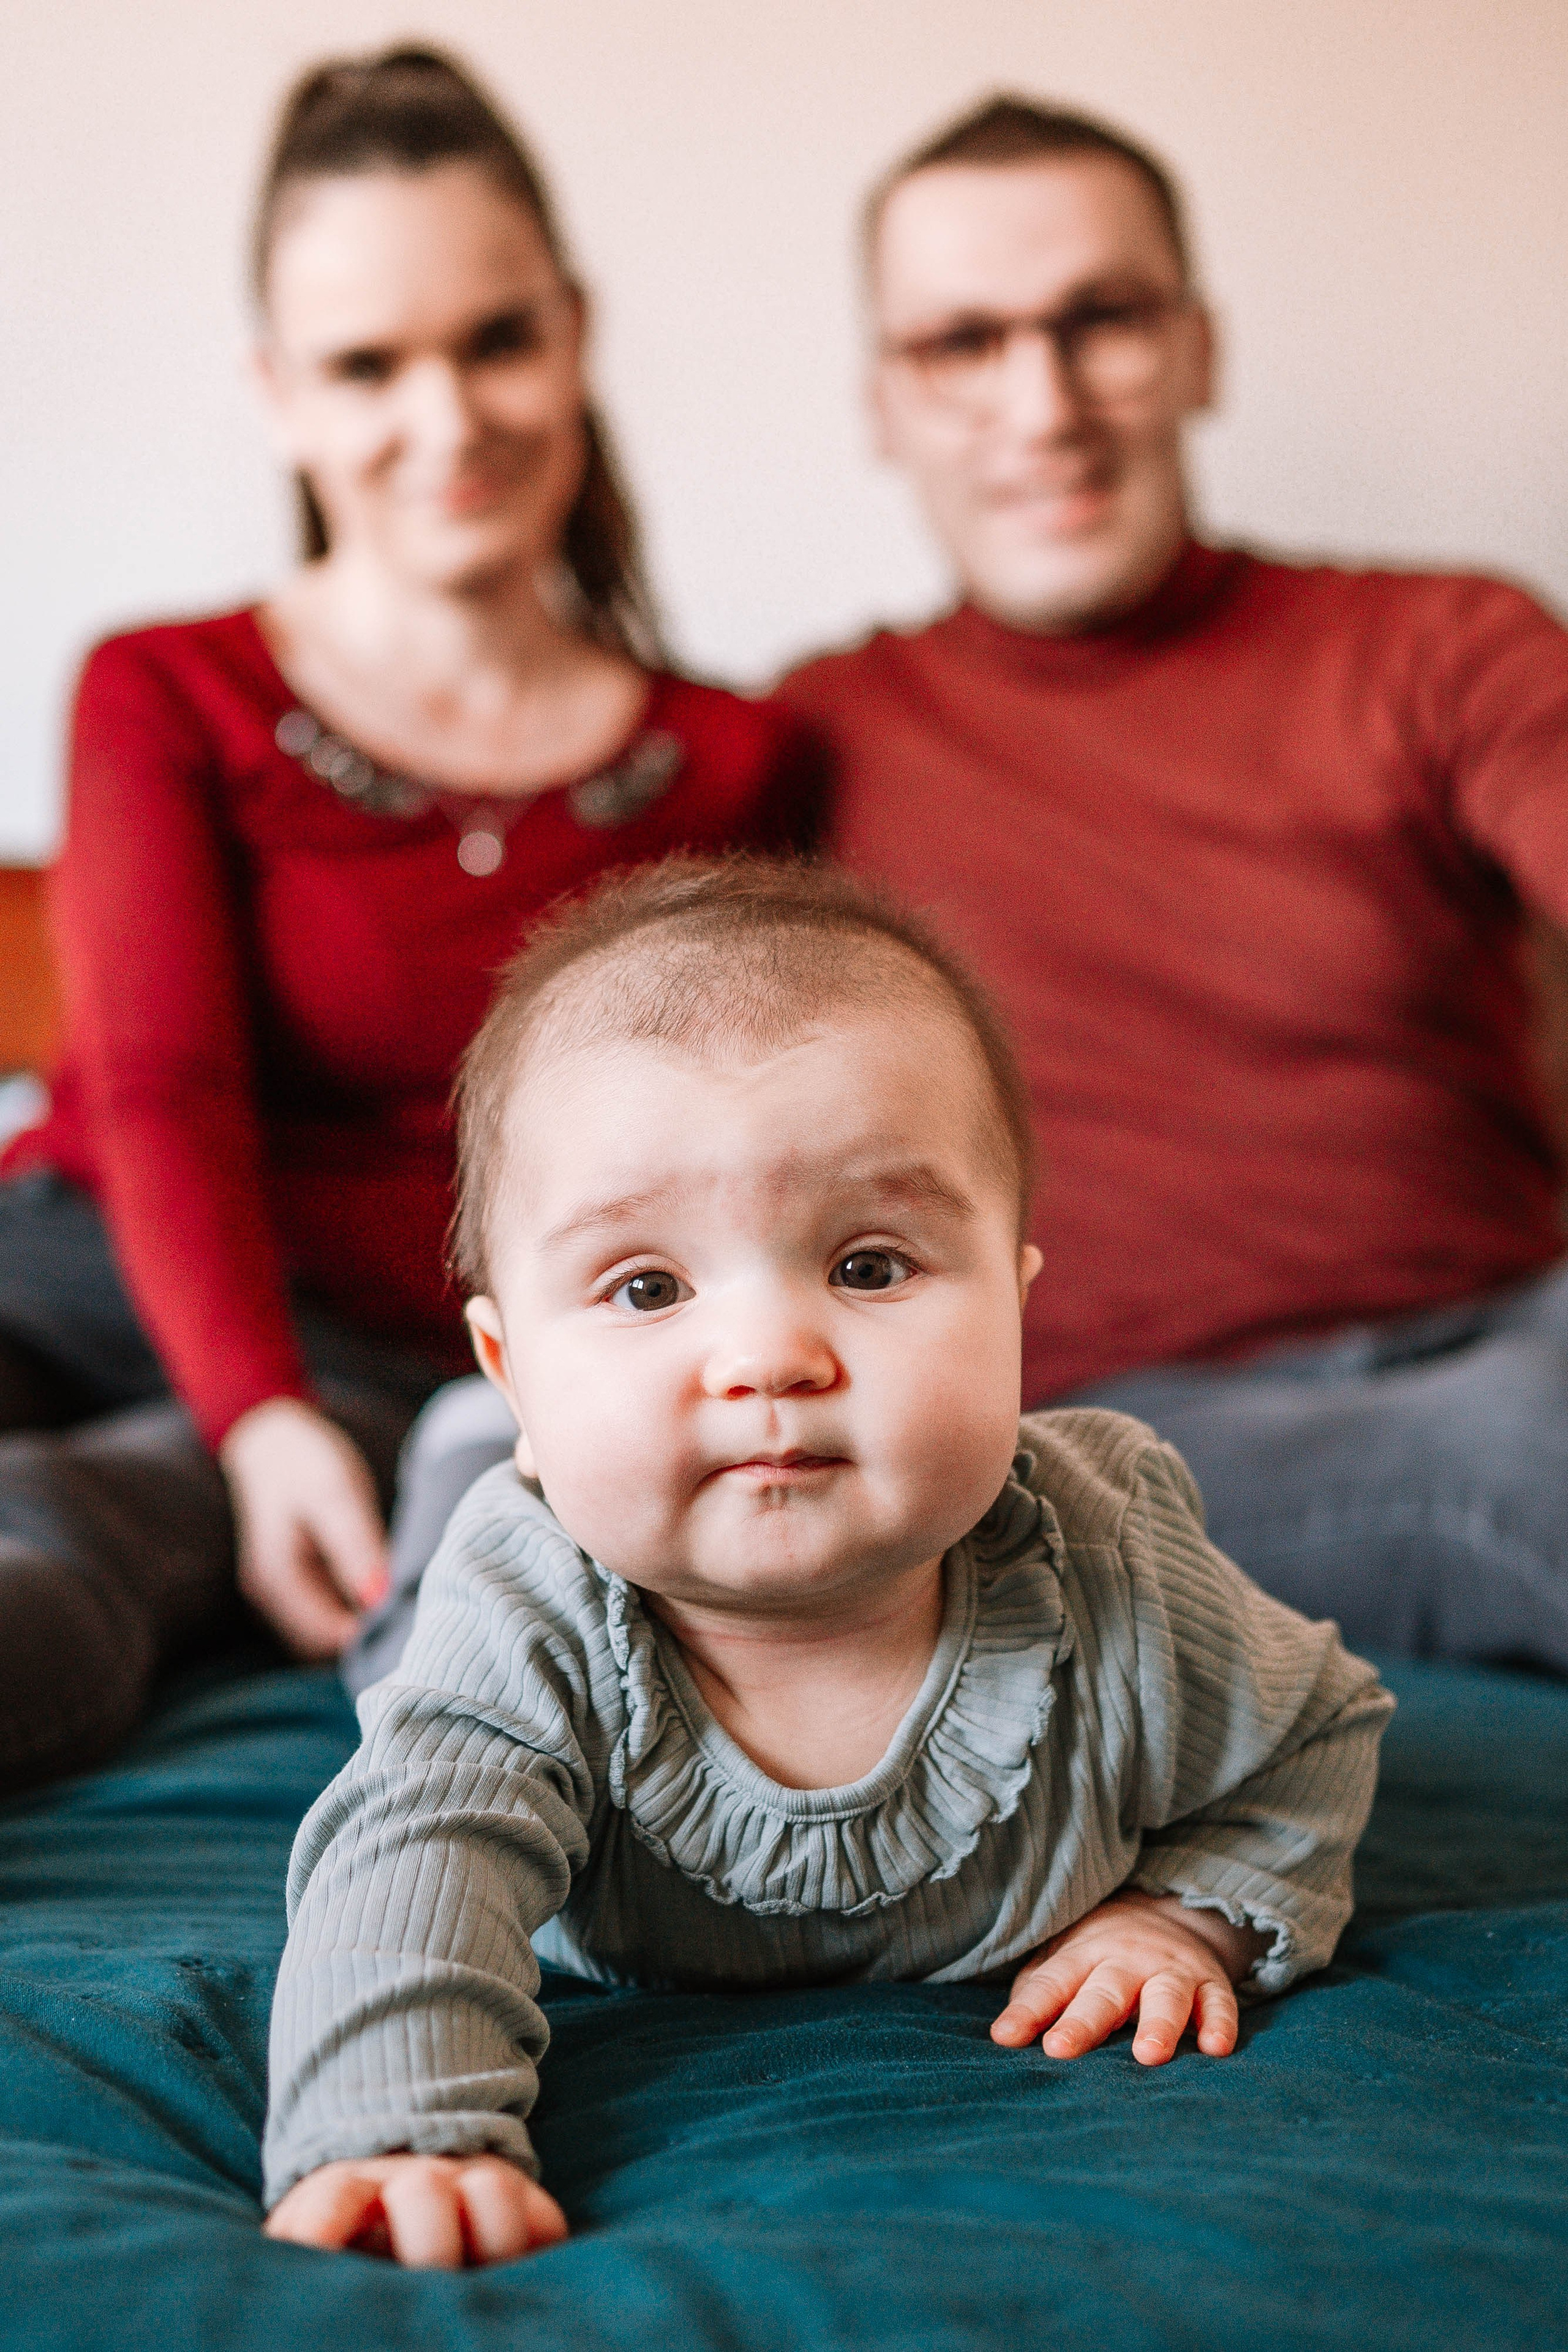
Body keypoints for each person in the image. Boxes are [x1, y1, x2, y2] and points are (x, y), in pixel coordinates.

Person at [260, 854, 1392, 2269]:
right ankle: (463, 1455)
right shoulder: (530, 1611)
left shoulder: (1111, 1553)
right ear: (516, 1361)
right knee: (399, 1654)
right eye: (647, 1288)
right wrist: (395, 2123)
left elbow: (1311, 1737)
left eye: (866, 1266)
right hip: (502, 1547)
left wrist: (1190, 1918)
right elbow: (409, 1869)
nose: (767, 1360)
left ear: (1015, 1310)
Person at [0, 47, 816, 1796]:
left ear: (576, 334)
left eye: (495, 341)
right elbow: (155, 1088)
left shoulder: (733, 761)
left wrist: (280, 1429)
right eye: (370, 365)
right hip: (77, 1277)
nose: (445, 421)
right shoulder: (168, 690)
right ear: (280, 394)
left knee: (61, 1535)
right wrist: (250, 1407)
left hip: (403, 1365)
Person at [774, 96, 1568, 1672]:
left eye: (1101, 321)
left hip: (1511, 1342)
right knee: (479, 1466)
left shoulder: (1438, 646)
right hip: (1098, 1448)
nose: (1044, 403)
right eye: (963, 345)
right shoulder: (796, 748)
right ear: (883, 406)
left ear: (1197, 350)